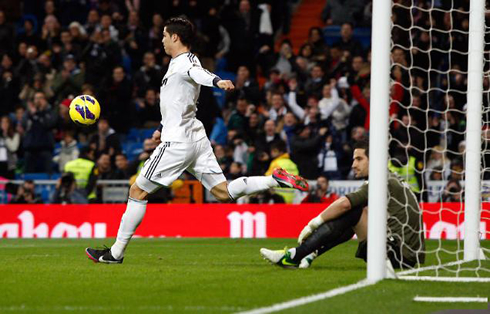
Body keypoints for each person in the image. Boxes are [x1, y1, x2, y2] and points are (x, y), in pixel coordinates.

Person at [86, 17, 309, 264]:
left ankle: (115, 253)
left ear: (175, 37)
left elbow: (198, 73)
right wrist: (161, 126)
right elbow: (180, 101)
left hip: (179, 142)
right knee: (223, 192)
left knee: (137, 190)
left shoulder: (185, 62)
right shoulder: (177, 64)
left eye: (163, 35)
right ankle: (273, 179)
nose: (161, 40)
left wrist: (217, 81)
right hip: (194, 138)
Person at [260, 139, 425, 269]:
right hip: (404, 255)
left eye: (359, 159)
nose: (354, 165)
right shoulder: (389, 178)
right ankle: (309, 254)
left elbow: (345, 204)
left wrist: (313, 224)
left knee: (352, 211)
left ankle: (294, 256)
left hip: (395, 255)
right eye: (353, 159)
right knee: (356, 214)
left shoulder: (381, 180)